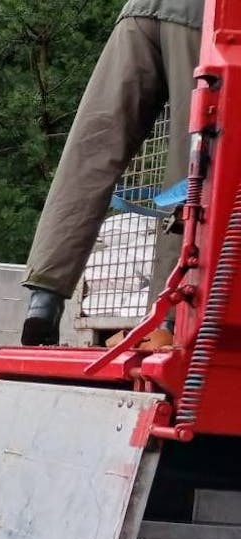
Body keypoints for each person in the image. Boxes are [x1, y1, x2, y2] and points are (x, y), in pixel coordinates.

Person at [21, 0, 203, 346]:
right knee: (193, 161)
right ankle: (169, 318)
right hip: (207, 16)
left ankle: (43, 301)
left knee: (92, 150)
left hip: (140, 11)